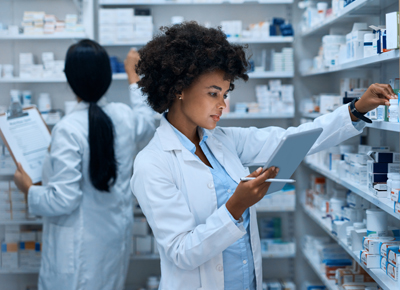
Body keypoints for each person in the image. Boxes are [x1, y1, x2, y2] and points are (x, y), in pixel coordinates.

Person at [131, 22, 397, 290]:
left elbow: (292, 140)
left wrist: (356, 109)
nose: (222, 104)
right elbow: (181, 251)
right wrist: (236, 206)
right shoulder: (152, 163)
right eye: (213, 93)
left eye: (224, 94)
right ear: (180, 88)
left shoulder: (222, 140)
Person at [13, 41, 155, 290]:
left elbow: (62, 200)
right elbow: (147, 119)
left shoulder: (68, 128)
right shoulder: (124, 117)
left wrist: (28, 189)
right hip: (112, 240)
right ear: (107, 77)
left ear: (69, 79)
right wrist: (134, 76)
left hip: (77, 248)